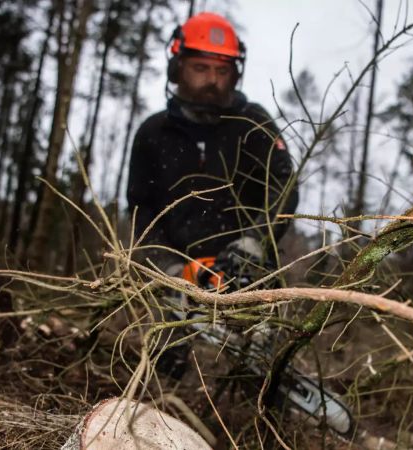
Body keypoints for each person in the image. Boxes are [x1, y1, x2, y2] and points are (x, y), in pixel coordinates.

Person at [127, 12, 298, 286]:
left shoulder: (253, 123)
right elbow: (141, 209)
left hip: (249, 276)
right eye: (200, 68)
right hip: (177, 278)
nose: (212, 80)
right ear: (178, 68)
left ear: (234, 74)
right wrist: (166, 266)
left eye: (222, 71)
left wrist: (256, 240)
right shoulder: (153, 133)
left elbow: (283, 183)